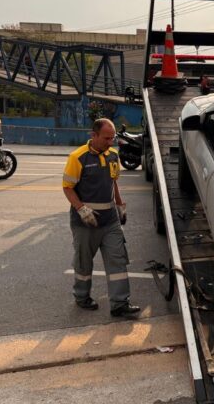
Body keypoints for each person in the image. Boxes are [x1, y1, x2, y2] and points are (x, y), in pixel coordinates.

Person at [62, 118, 140, 317]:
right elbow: (67, 188)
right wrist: (81, 209)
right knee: (84, 262)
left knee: (118, 260)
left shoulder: (113, 155)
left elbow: (113, 183)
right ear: (93, 135)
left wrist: (120, 205)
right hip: (85, 223)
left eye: (112, 138)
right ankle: (82, 296)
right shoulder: (77, 157)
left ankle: (120, 303)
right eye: (106, 138)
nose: (110, 142)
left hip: (110, 220)